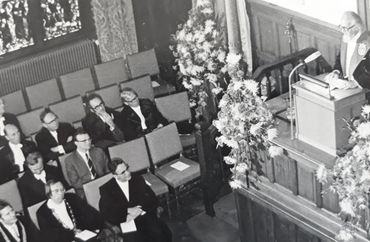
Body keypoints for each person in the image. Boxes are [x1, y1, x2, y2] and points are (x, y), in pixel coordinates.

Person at [99, 158, 172, 242]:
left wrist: (138, 210)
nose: (128, 173)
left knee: (160, 234)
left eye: (127, 168)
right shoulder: (107, 189)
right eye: (123, 172)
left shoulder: (137, 179)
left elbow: (151, 197)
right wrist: (127, 211)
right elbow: (106, 212)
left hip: (143, 215)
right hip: (126, 221)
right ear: (115, 176)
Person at [36, 179, 104, 242]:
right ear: (49, 194)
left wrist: (86, 230)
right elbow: (50, 236)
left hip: (84, 236)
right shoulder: (42, 213)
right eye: (56, 191)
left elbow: (91, 214)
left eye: (62, 189)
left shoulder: (72, 198)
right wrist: (72, 234)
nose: (61, 193)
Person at [64, 128, 109, 199]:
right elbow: (75, 183)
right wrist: (93, 183)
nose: (88, 142)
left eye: (89, 139)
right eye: (84, 141)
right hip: (86, 189)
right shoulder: (70, 160)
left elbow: (108, 170)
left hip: (104, 183)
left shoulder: (99, 151)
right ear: (76, 143)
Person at [329, 11, 370, 88]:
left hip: (364, 89)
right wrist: (336, 72)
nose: (342, 31)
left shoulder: (368, 42)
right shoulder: (347, 37)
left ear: (357, 28)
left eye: (345, 28)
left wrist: (354, 83)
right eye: (340, 27)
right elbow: (340, 59)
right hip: (345, 84)